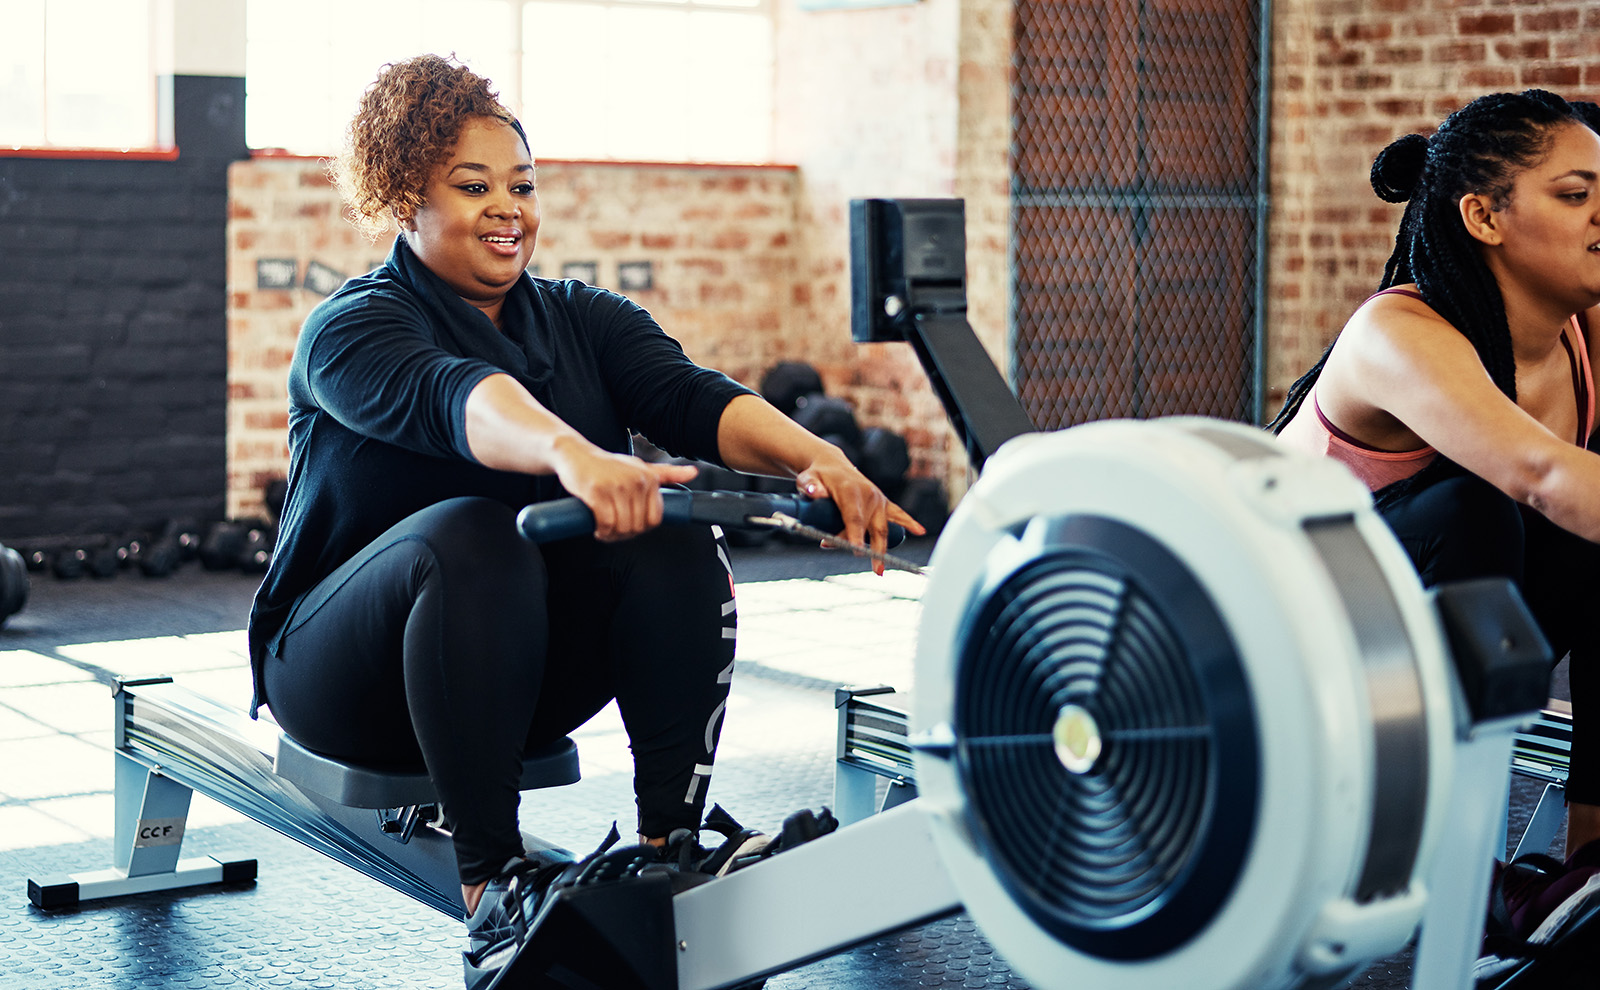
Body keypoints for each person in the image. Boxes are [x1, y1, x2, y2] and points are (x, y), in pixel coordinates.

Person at [245, 54, 923, 989]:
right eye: (471, 185)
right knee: (474, 533)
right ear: (405, 197)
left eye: (521, 185)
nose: (508, 208)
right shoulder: (354, 328)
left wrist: (817, 455)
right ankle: (490, 892)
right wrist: (573, 453)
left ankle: (669, 848)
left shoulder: (582, 320)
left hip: (505, 680)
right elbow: (462, 400)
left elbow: (690, 397)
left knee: (675, 529)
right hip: (343, 680)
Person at [1271, 89, 1600, 869]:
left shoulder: (1584, 331)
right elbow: (1542, 474)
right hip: (1288, 645)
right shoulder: (1397, 332)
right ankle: (1457, 868)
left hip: (1435, 635)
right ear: (1483, 217)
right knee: (1483, 507)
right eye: (1577, 195)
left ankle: (1588, 862)